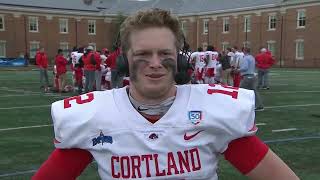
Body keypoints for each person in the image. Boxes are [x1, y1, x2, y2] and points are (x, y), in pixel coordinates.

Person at [33, 8, 299, 180]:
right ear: (124, 60)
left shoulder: (215, 111)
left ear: (180, 60)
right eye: (143, 54)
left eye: (165, 54)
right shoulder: (95, 118)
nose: (155, 63)